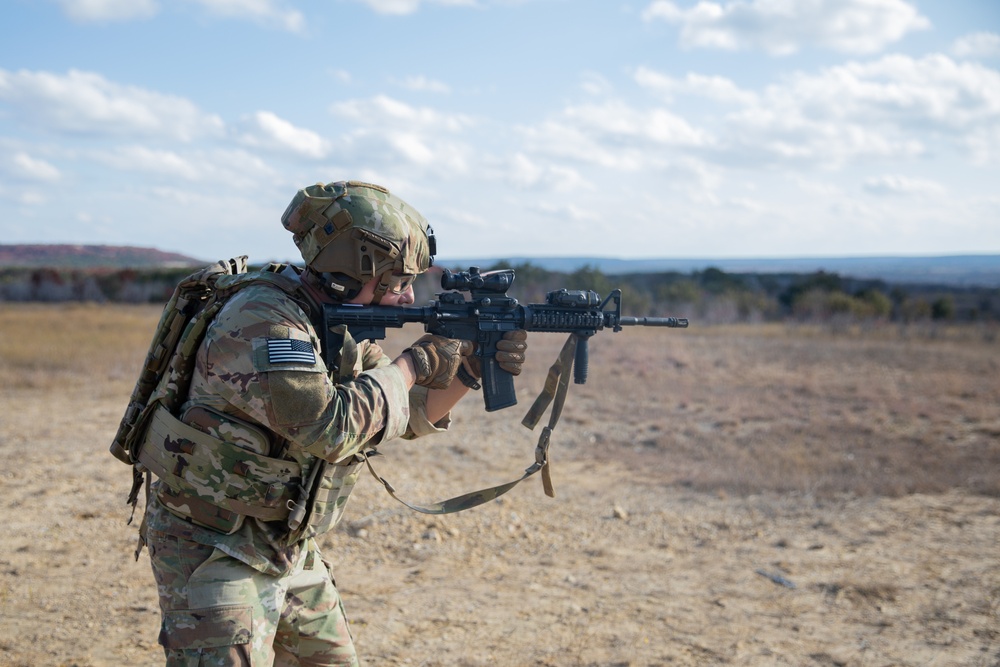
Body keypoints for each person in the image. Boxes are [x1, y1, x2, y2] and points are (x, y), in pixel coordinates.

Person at [139, 180, 528, 666]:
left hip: (288, 546)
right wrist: (411, 364)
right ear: (350, 271)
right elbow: (332, 426)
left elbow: (406, 411)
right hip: (214, 549)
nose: (407, 298)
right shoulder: (265, 319)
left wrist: (471, 368)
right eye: (396, 282)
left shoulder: (333, 324)